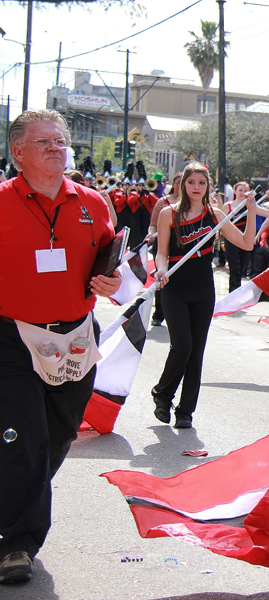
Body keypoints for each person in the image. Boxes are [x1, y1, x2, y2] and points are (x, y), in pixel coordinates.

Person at [0, 109, 122, 584]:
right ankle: (17, 545)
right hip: (11, 338)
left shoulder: (92, 202)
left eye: (60, 140)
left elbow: (111, 264)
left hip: (74, 337)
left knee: (58, 434)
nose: (57, 146)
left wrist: (112, 281)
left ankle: (14, 498)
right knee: (24, 435)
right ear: (18, 152)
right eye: (44, 141)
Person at [152, 163, 257, 428]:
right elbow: (162, 252)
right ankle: (163, 394)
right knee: (182, 346)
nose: (196, 187)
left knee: (196, 351)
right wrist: (160, 270)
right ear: (182, 185)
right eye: (191, 182)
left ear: (208, 186)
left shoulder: (216, 214)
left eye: (202, 183)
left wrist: (252, 211)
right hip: (173, 288)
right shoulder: (168, 214)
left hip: (202, 289)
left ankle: (185, 411)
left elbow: (246, 243)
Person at [148, 172, 182, 326]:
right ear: (172, 184)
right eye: (178, 182)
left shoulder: (196, 204)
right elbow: (153, 225)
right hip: (162, 243)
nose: (181, 185)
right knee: (162, 277)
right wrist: (150, 235)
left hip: (182, 245)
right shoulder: (163, 202)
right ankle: (158, 314)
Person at [222, 181, 254, 292]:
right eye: (240, 190)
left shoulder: (250, 206)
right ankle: (232, 291)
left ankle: (237, 292)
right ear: (235, 191)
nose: (242, 193)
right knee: (234, 266)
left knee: (242, 268)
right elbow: (219, 223)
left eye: (245, 191)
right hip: (231, 239)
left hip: (244, 239)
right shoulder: (228, 206)